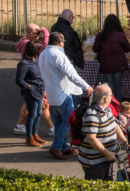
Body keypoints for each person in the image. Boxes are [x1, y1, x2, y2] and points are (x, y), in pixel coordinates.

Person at [40, 32, 93, 160]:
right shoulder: (58, 55)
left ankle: (62, 145)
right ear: (60, 43)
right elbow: (72, 74)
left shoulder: (43, 53)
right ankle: (57, 146)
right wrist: (86, 86)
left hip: (52, 92)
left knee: (59, 120)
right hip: (62, 93)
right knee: (67, 121)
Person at [79, 84, 127, 181]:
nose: (112, 96)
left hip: (108, 157)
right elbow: (91, 138)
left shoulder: (107, 109)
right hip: (95, 161)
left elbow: (114, 125)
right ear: (105, 99)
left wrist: (125, 142)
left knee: (108, 185)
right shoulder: (92, 114)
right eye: (111, 95)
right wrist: (107, 153)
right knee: (95, 189)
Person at [13, 25, 52, 136]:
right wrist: (45, 31)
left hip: (35, 83)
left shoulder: (27, 47)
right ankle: (48, 129)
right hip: (33, 84)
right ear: (30, 34)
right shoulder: (27, 51)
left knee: (35, 108)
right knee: (39, 107)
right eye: (37, 33)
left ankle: (23, 128)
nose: (39, 36)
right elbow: (44, 46)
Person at [14, 40, 47, 147]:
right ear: (34, 50)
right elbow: (19, 80)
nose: (41, 51)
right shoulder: (24, 63)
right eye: (39, 49)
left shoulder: (35, 60)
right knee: (32, 115)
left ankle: (35, 134)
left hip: (39, 91)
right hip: (31, 93)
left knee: (38, 113)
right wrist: (30, 87)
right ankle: (29, 138)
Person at [93, 14, 130, 103]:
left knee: (109, 88)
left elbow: (95, 49)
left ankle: (110, 107)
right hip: (118, 64)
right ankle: (118, 108)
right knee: (118, 88)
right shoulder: (119, 35)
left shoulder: (101, 35)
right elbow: (128, 48)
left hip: (106, 64)